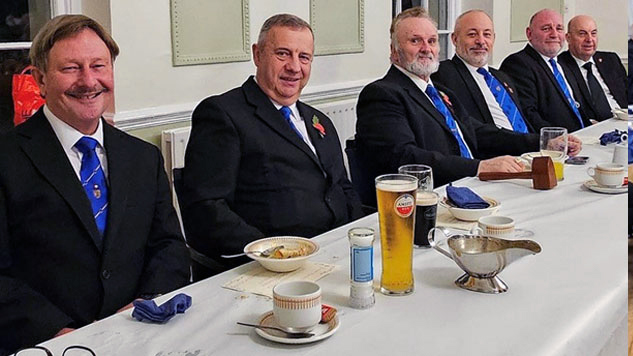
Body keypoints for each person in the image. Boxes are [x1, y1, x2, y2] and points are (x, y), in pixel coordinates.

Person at [0, 15, 190, 351]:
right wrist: (60, 334)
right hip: (47, 343)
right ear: (41, 80)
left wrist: (146, 301)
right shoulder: (6, 159)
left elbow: (169, 246)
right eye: (71, 68)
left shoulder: (143, 158)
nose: (89, 81)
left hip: (140, 335)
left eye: (98, 66)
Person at [179, 14, 363, 277]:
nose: (294, 67)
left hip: (338, 253)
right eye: (283, 54)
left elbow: (342, 187)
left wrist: (362, 236)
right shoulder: (223, 114)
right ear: (257, 54)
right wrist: (273, 254)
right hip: (272, 269)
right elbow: (207, 207)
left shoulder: (319, 121)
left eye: (304, 57)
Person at [356, 8, 546, 193]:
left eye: (431, 41)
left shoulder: (440, 92)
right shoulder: (381, 94)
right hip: (433, 197)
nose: (426, 48)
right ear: (394, 51)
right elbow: (405, 157)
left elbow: (478, 132)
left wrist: (541, 141)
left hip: (473, 185)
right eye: (415, 41)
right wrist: (479, 167)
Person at [433, 10, 547, 133]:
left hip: (532, 148)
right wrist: (532, 142)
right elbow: (471, 129)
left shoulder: (502, 77)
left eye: (487, 35)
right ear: (455, 39)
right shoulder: (443, 74)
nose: (481, 41)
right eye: (472, 34)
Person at [500, 8, 594, 131]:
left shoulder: (561, 64)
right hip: (553, 144)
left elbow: (574, 106)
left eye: (559, 28)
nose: (554, 34)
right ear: (529, 34)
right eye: (546, 28)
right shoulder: (517, 64)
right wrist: (559, 138)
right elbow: (528, 115)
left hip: (581, 137)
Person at [559, 15, 628, 121]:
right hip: (594, 126)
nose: (589, 39)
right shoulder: (560, 66)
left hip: (624, 120)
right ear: (568, 38)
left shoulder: (611, 60)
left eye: (593, 33)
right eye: (582, 34)